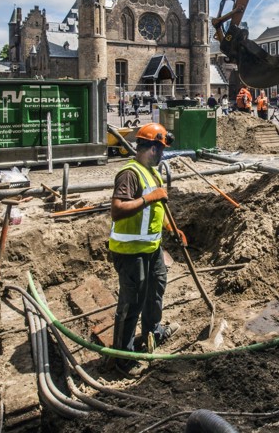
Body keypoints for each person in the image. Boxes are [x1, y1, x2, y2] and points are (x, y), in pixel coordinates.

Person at [108, 123, 181, 378]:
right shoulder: (130, 174)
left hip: (152, 248)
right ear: (152, 149)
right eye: (161, 150)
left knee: (155, 291)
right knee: (132, 303)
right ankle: (123, 357)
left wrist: (171, 228)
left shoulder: (152, 173)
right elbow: (117, 210)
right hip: (130, 253)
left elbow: (155, 211)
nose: (162, 155)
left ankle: (153, 333)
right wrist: (148, 198)